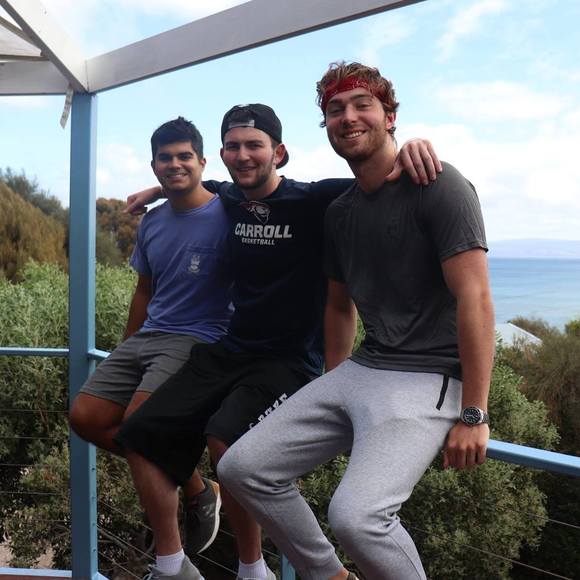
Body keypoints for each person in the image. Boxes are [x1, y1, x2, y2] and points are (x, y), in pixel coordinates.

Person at [117, 104, 440, 580]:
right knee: (138, 433)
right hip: (232, 348)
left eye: (255, 145)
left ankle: (278, 572)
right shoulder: (230, 197)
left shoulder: (313, 199)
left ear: (280, 152)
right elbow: (209, 186)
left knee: (225, 440)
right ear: (221, 155)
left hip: (289, 360)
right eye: (233, 147)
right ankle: (174, 567)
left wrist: (410, 149)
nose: (243, 155)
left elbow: (376, 174)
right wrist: (160, 189)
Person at [218, 62, 495, 580]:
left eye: (362, 104)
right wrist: (334, 386)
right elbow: (339, 306)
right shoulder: (340, 212)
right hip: (363, 368)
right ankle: (329, 575)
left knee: (357, 518)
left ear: (390, 116)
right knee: (241, 467)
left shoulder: (438, 184)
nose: (347, 117)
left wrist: (474, 414)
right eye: (335, 109)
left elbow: (475, 298)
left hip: (430, 376)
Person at [69, 118, 232, 574]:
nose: (174, 164)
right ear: (154, 164)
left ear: (203, 161)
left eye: (184, 156)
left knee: (140, 428)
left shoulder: (228, 212)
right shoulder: (153, 221)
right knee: (85, 417)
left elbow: (262, 186)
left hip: (199, 339)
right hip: (150, 337)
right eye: (165, 158)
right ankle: (198, 488)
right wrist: (128, 348)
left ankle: (172, 563)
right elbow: (144, 289)